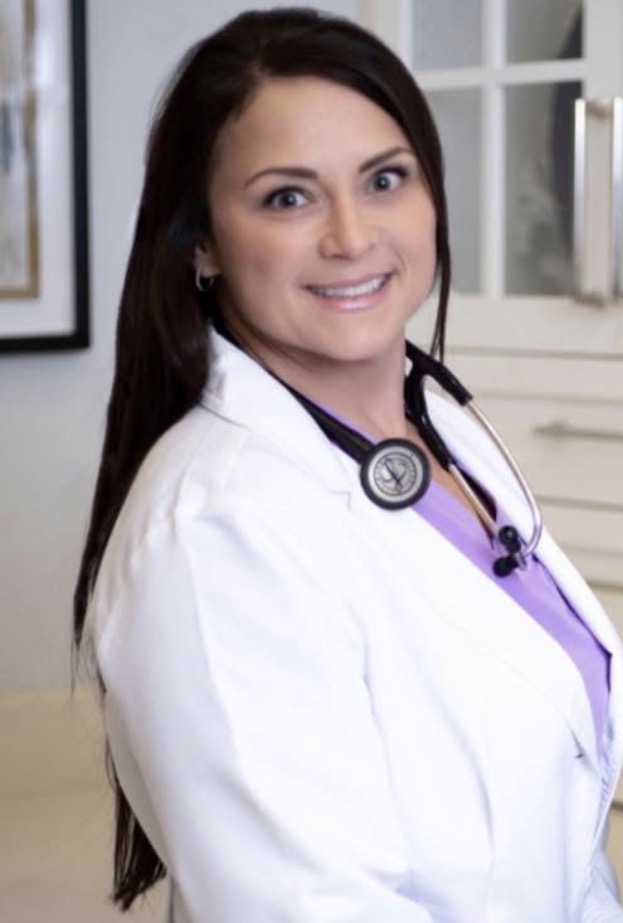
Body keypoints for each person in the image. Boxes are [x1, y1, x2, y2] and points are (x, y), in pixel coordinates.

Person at [73, 7, 623, 923]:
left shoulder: (435, 422)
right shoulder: (214, 537)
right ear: (200, 240)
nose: (351, 236)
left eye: (383, 179)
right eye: (287, 196)